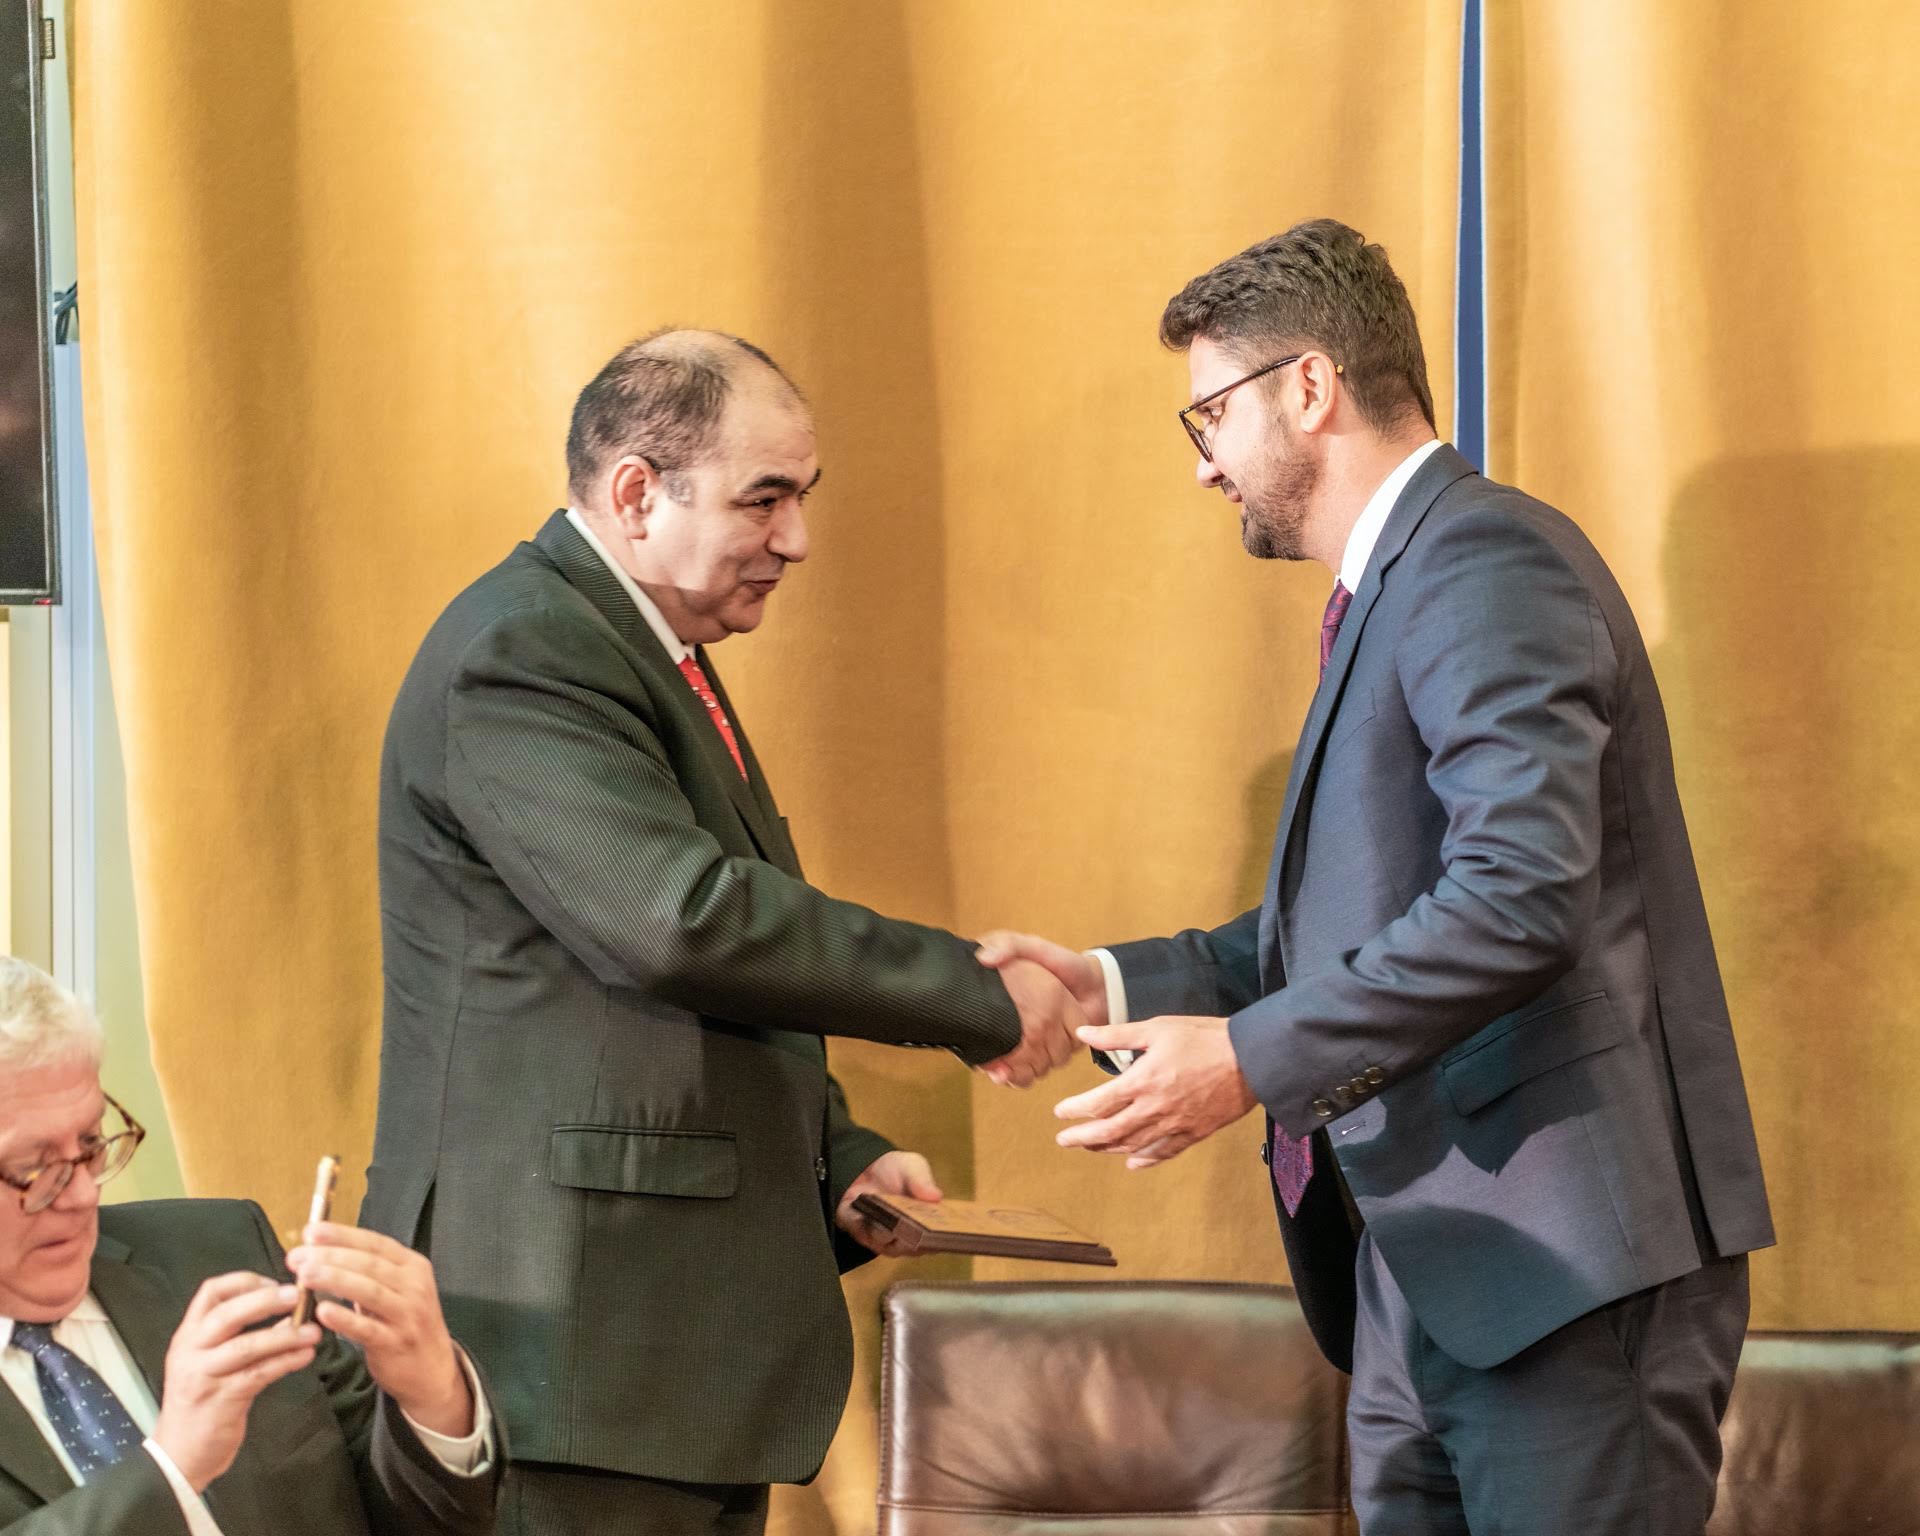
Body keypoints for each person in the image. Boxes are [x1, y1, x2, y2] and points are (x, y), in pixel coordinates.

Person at [979, 220, 1774, 1535]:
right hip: (1426, 1272)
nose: (1203, 463)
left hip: (1569, 1276)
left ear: (1309, 386)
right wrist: (1107, 983)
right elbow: (1360, 918)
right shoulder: (1404, 582)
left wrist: (1248, 1061)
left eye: (1210, 415)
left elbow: (1519, 896)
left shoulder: (1486, 560)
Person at [363, 329, 1083, 1535]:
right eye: (765, 498)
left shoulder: (643, 647)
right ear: (637, 494)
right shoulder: (525, 651)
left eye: (802, 497)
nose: (797, 538)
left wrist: (838, 1156)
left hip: (649, 1353)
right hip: (566, 1352)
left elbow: (684, 980)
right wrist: (974, 993)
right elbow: (679, 921)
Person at [0, 955, 500, 1535]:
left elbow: (398, 1514)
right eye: (34, 1167)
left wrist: (432, 1397)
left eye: (90, 1144)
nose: (84, 1194)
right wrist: (172, 1468)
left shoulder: (221, 1251)